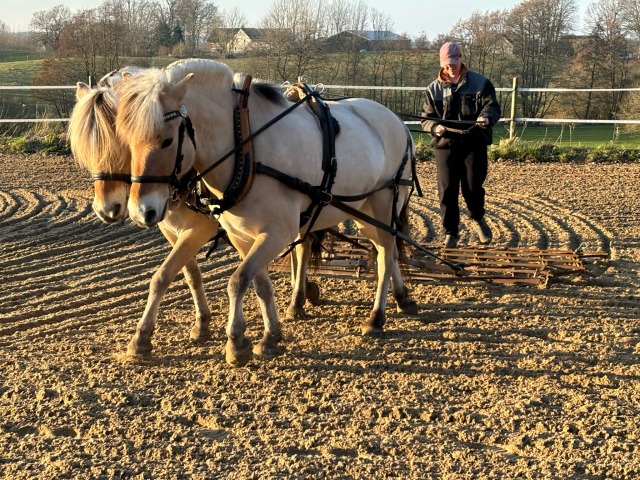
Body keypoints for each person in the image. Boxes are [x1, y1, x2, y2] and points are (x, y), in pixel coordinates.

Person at [421, 42, 501, 249]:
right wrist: (434, 127)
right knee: (447, 190)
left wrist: (485, 118)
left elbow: (492, 107)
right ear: (441, 63)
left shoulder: (480, 83)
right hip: (445, 145)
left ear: (460, 60)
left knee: (472, 187)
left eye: (454, 63)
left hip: (473, 143)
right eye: (447, 64)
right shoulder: (433, 89)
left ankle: (477, 218)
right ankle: (451, 233)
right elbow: (426, 118)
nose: (451, 67)